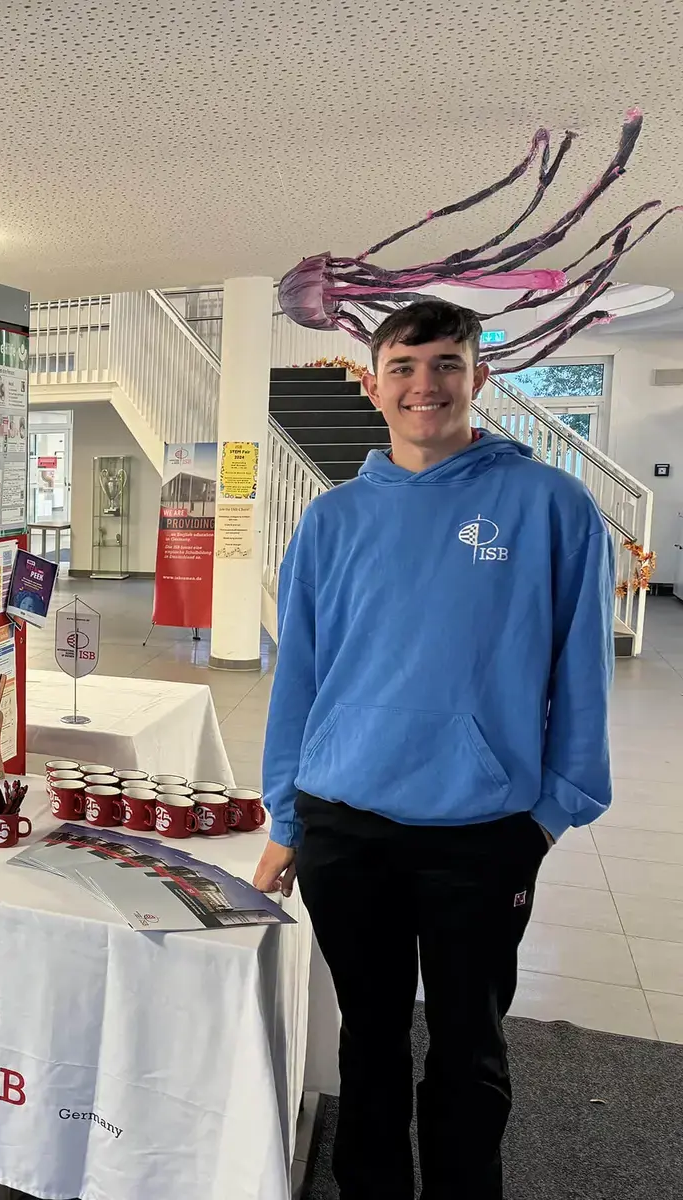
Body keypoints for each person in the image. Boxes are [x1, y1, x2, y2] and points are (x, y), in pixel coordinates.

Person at [252, 298, 613, 1200]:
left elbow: (583, 676)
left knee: (468, 1050)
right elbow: (300, 678)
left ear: (479, 378)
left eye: (447, 363)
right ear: (372, 385)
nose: (426, 385)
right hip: (345, 827)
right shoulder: (331, 523)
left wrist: (551, 814)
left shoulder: (550, 506)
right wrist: (287, 819)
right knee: (367, 1044)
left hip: (483, 833)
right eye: (404, 368)